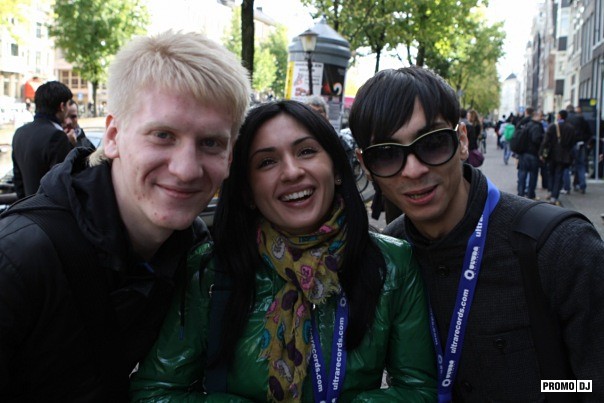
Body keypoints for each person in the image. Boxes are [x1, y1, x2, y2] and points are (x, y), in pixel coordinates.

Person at [0, 30, 251, 402]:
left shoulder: (196, 253)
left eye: (211, 142)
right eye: (163, 135)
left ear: (229, 157)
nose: (185, 170)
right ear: (113, 136)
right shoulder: (17, 261)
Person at [130, 100, 437, 402]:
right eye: (267, 162)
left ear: (336, 169)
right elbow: (155, 392)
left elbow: (419, 389)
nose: (291, 172)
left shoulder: (393, 264)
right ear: (248, 191)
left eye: (306, 151)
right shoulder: (209, 270)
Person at [348, 66, 604, 401]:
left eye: (433, 143)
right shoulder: (389, 257)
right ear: (366, 166)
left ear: (463, 141)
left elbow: (592, 384)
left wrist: (546, 387)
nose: (414, 170)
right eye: (386, 154)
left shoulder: (562, 248)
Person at [11, 81, 73, 199]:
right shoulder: (58, 137)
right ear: (62, 106)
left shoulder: (19, 133)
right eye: (68, 104)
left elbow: (18, 180)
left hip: (27, 206)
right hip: (49, 208)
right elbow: (61, 184)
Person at [540, 109, 577, 206]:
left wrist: (541, 153)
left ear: (559, 116)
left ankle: (550, 191)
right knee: (559, 175)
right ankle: (554, 196)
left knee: (551, 173)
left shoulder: (553, 126)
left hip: (552, 155)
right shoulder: (570, 128)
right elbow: (573, 143)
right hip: (564, 156)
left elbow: (545, 141)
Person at [516, 110, 545, 199]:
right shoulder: (537, 126)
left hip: (523, 153)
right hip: (533, 154)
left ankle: (520, 193)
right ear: (536, 116)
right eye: (541, 116)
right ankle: (530, 194)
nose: (542, 118)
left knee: (522, 173)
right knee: (533, 175)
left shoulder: (526, 125)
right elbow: (536, 139)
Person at [566, 104, 592, 194]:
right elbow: (589, 133)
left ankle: (566, 187)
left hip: (569, 145)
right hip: (580, 144)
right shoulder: (582, 119)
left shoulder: (567, 119)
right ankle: (582, 185)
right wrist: (585, 141)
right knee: (580, 165)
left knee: (566, 166)